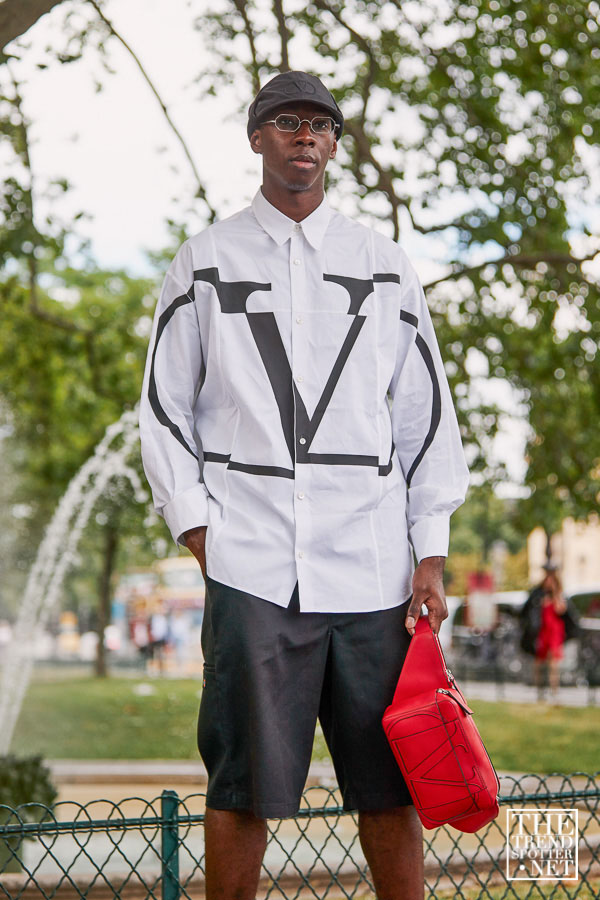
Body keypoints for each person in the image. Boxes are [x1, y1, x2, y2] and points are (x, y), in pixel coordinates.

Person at [139, 71, 469, 900]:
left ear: (333, 144)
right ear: (258, 137)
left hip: (373, 568)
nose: (307, 136)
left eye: (322, 124)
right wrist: (196, 525)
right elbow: (163, 405)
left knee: (392, 787)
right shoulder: (205, 260)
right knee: (242, 786)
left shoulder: (384, 265)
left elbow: (426, 414)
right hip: (251, 562)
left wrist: (429, 548)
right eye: (288, 121)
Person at [520, 566, 577, 700]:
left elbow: (561, 610)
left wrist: (556, 594)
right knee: (539, 661)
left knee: (553, 661)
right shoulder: (538, 596)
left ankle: (554, 689)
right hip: (543, 631)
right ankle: (539, 689)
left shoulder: (559, 596)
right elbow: (530, 613)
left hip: (555, 631)